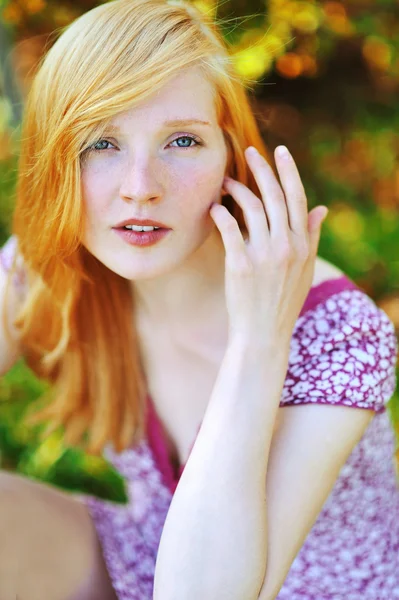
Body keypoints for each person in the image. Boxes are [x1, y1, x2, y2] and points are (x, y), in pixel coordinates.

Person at [0, 0, 398, 598]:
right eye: (100, 144)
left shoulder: (336, 329)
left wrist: (259, 340)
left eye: (181, 141)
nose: (139, 188)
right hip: (149, 556)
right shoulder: (55, 262)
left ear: (232, 158)